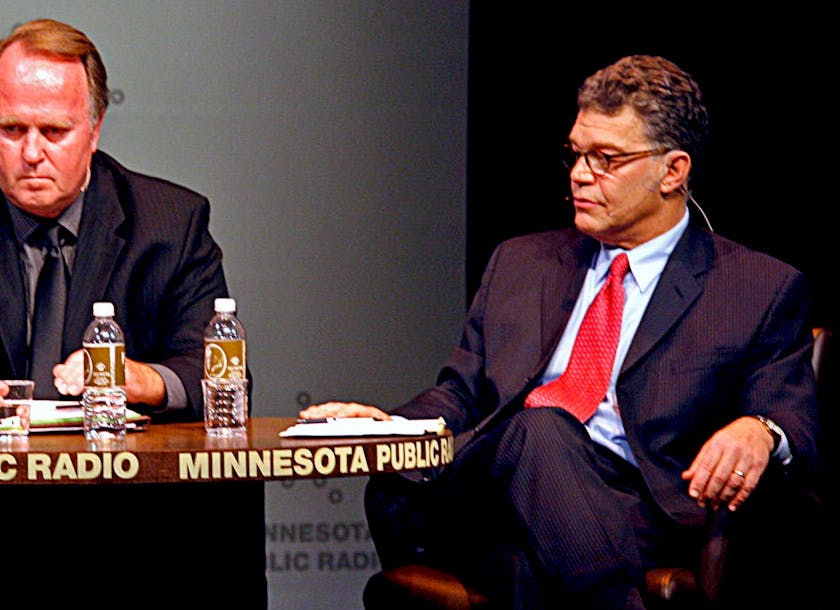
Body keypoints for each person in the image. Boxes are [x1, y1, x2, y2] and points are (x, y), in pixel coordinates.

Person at [303, 55, 819, 608]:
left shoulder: (753, 286)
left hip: (636, 510)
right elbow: (460, 392)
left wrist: (760, 430)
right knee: (543, 428)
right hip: (486, 493)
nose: (579, 174)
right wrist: (394, 424)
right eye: (576, 154)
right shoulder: (521, 262)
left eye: (607, 159)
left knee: (528, 565)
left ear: (673, 171)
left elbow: (794, 420)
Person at [0, 19, 232, 432]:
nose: (32, 152)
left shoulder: (170, 222)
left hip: (120, 479)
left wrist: (143, 379)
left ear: (95, 127)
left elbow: (221, 375)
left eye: (54, 131)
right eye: (11, 129)